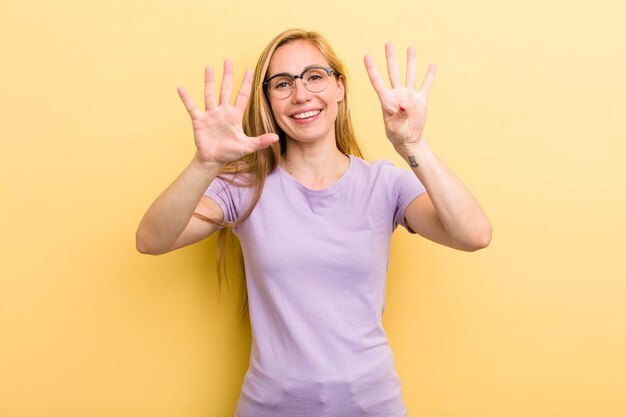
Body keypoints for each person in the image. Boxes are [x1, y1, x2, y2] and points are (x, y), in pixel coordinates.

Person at [136, 28, 491, 417]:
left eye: (314, 76)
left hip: (372, 407)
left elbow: (474, 234)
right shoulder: (246, 188)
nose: (301, 94)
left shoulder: (384, 183)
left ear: (339, 86)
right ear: (268, 100)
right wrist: (205, 164)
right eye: (283, 84)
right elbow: (152, 239)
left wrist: (412, 146)